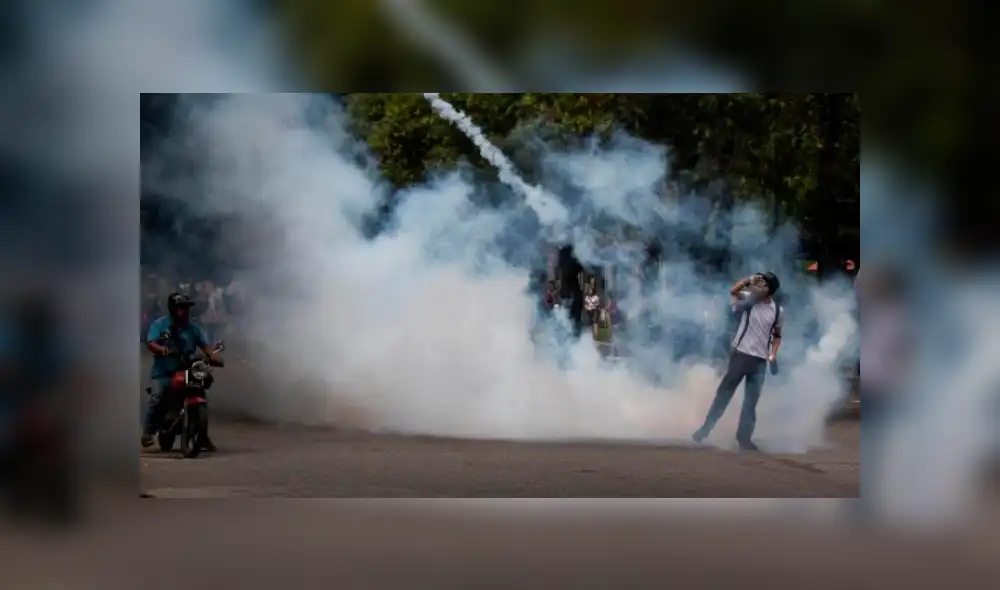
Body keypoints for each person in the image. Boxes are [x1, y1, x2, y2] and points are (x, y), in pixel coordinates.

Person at [692, 272, 783, 451]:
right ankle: (705, 429)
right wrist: (747, 281)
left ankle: (744, 439)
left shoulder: (778, 311)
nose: (759, 285)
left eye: (764, 283)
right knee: (724, 394)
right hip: (741, 355)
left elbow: (778, 336)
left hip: (759, 361)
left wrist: (773, 354)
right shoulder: (750, 300)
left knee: (751, 402)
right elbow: (733, 292)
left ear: (770, 290)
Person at [143, 292, 224, 451]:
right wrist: (164, 350)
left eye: (187, 308)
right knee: (158, 395)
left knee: (201, 387)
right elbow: (152, 343)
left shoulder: (194, 329)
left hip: (187, 369)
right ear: (172, 308)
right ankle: (148, 432)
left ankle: (202, 435)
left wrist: (215, 357)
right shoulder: (163, 327)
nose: (185, 311)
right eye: (181, 307)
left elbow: (207, 348)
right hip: (164, 372)